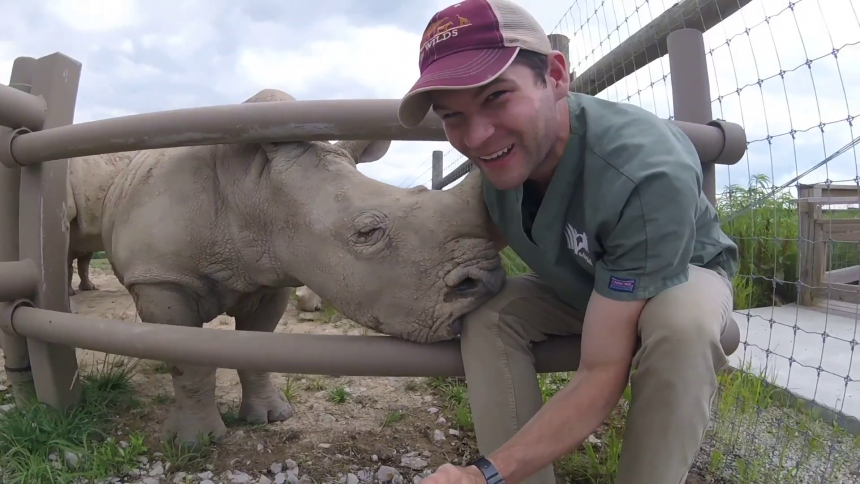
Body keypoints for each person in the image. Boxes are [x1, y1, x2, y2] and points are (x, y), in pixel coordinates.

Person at [396, 1, 741, 484]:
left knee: (680, 326)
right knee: (489, 313)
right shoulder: (497, 167)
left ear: (555, 75)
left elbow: (601, 371)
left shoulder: (644, 170)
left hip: (679, 274)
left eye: (496, 97)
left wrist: (481, 475)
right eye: (453, 115)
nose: (475, 136)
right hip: (589, 286)